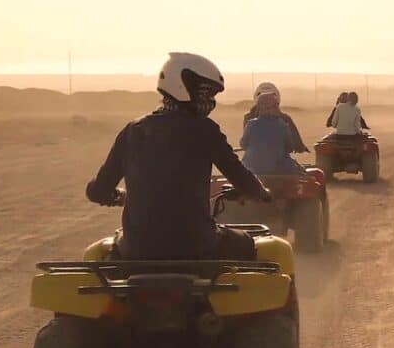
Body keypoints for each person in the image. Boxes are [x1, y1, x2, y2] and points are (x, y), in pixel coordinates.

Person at [86, 52, 270, 261]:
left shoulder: (133, 131)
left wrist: (118, 196)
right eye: (205, 93)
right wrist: (261, 193)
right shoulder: (205, 129)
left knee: (101, 256)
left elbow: (98, 191)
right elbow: (240, 176)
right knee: (261, 247)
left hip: (136, 252)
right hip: (199, 247)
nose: (210, 101)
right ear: (183, 87)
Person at [240, 85, 307, 176]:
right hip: (277, 169)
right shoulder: (283, 122)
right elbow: (291, 147)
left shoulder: (250, 123)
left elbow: (244, 145)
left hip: (251, 168)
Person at [244, 82, 308, 153]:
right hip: (279, 159)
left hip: (254, 159)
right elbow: (298, 147)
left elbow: (245, 144)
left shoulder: (249, 118)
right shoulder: (285, 119)